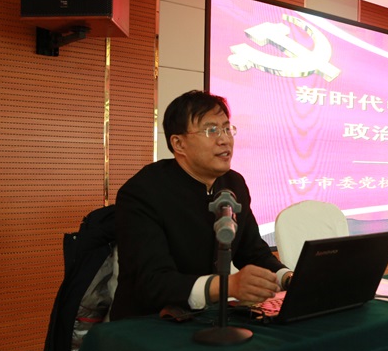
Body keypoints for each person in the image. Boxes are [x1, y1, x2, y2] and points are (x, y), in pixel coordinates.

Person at [110, 89, 292, 320]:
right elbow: (152, 282)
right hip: (147, 322)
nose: (224, 139)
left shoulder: (234, 183)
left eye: (227, 129)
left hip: (206, 317)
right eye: (211, 130)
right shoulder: (143, 192)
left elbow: (253, 252)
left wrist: (288, 277)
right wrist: (227, 285)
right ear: (179, 143)